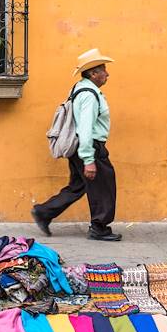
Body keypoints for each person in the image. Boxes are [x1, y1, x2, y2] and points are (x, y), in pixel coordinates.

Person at [31, 48, 122, 241]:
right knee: (104, 185)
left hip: (81, 147)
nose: (107, 73)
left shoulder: (79, 88)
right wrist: (89, 159)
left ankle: (44, 212)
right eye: (103, 69)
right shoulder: (89, 94)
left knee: (78, 186)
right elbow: (86, 127)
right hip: (90, 147)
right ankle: (100, 227)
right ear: (93, 73)